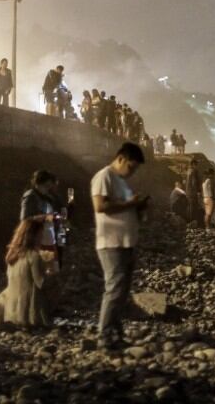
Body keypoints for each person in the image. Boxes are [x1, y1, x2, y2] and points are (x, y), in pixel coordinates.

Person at [90, 142, 148, 349]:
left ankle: (115, 332)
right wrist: (132, 204)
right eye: (131, 167)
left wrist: (138, 207)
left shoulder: (121, 181)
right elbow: (100, 206)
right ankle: (104, 336)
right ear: (121, 158)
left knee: (121, 291)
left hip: (125, 242)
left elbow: (123, 207)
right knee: (114, 289)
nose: (131, 172)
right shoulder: (104, 176)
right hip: (111, 243)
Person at [0, 219, 51, 328]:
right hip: (28, 315)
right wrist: (51, 272)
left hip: (10, 312)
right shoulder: (33, 256)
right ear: (33, 235)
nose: (42, 237)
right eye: (41, 234)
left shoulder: (12, 256)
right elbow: (41, 283)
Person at [20, 170, 63, 270]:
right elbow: (25, 218)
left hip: (48, 237)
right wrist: (45, 217)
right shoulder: (30, 196)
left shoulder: (47, 198)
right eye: (46, 185)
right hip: (34, 238)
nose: (48, 188)